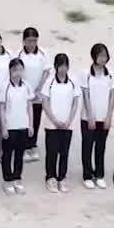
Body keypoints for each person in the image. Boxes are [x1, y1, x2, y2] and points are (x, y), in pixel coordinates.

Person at [78, 42, 114, 189]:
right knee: (87, 146)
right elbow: (86, 95)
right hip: (88, 117)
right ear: (94, 56)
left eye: (105, 56)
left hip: (104, 117)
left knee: (100, 147)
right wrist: (90, 116)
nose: (103, 59)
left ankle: (99, 175)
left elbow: (112, 96)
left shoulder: (111, 74)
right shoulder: (85, 74)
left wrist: (109, 116)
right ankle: (87, 175)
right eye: (100, 56)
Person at [38, 52, 79, 193]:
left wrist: (68, 120)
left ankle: (62, 177)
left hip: (67, 124)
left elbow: (75, 103)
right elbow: (45, 102)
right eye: (60, 66)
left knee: (64, 152)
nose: (63, 69)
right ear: (56, 66)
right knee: (52, 152)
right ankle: (50, 177)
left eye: (65, 66)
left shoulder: (73, 81)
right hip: (51, 125)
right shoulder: (49, 82)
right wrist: (54, 120)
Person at [0, 56, 34, 194]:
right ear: (10, 71)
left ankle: (17, 178)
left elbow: (29, 106)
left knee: (19, 154)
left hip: (23, 126)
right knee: (7, 154)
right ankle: (7, 180)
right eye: (15, 70)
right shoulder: (5, 86)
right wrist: (4, 127)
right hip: (10, 127)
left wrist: (30, 125)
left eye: (20, 69)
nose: (18, 72)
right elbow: (1, 108)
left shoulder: (26, 86)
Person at [18, 28, 47, 137]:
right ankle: (23, 145)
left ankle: (32, 145)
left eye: (34, 40)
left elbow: (46, 72)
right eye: (29, 40)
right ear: (24, 41)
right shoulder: (19, 54)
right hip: (23, 93)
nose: (32, 43)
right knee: (23, 119)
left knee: (36, 118)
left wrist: (39, 89)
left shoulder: (42, 53)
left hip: (37, 93)